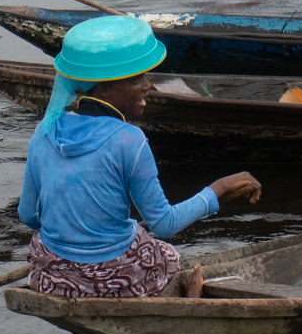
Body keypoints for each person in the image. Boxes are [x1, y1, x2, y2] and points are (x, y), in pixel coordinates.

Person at [18, 15, 260, 300]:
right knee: (166, 253)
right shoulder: (130, 140)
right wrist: (218, 190)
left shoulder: (43, 132)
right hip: (110, 279)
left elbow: (29, 215)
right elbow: (164, 225)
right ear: (104, 89)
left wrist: (73, 227)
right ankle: (190, 299)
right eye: (136, 78)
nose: (148, 85)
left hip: (54, 277)